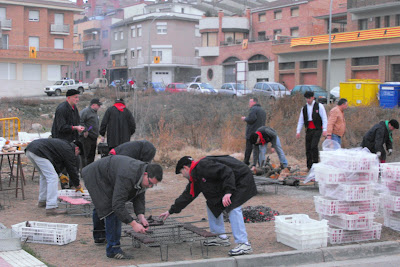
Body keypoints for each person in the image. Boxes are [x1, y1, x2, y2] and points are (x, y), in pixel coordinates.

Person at [159, 155, 257, 256]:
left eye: (181, 172)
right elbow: (187, 196)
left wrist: (228, 191)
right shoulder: (196, 175)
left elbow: (227, 171)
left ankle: (244, 244)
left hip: (242, 178)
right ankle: (220, 237)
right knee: (212, 203)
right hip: (231, 181)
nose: (182, 175)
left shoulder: (203, 166)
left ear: (186, 168)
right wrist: (170, 211)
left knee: (233, 206)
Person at [82, 156, 163, 260]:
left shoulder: (142, 175)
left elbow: (139, 196)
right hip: (96, 175)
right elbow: (117, 206)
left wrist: (141, 216)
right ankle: (113, 250)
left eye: (153, 185)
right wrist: (134, 224)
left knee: (102, 203)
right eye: (150, 183)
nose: (150, 186)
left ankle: (100, 237)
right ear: (146, 174)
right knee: (109, 208)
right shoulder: (128, 176)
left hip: (107, 174)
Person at [25, 138, 83, 216]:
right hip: (39, 151)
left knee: (44, 175)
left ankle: (42, 201)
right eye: (78, 153)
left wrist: (60, 174)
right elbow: (71, 169)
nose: (76, 156)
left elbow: (53, 162)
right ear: (77, 148)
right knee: (52, 177)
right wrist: (77, 184)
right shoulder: (69, 151)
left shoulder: (64, 146)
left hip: (31, 149)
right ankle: (51, 207)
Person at [296, 91, 328, 170]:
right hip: (309, 129)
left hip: (317, 129)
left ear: (313, 98)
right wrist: (298, 131)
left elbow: (324, 118)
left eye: (309, 98)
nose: (308, 100)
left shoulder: (319, 106)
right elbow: (301, 120)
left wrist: (325, 129)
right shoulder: (304, 108)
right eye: (306, 98)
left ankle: (316, 163)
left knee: (314, 146)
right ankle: (309, 166)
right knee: (308, 147)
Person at [241, 98, 266, 166]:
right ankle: (257, 164)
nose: (249, 103)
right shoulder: (262, 110)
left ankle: (246, 162)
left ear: (254, 102)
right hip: (260, 133)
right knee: (257, 149)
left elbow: (252, 119)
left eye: (250, 102)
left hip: (252, 132)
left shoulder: (253, 109)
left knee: (249, 148)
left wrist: (245, 119)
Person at [80, 98, 102, 167]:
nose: (99, 107)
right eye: (98, 105)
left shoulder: (95, 113)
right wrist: (85, 130)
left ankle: (90, 170)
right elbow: (80, 121)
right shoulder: (86, 112)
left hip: (93, 137)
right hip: (87, 137)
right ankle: (83, 171)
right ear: (93, 105)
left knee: (92, 155)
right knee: (85, 155)